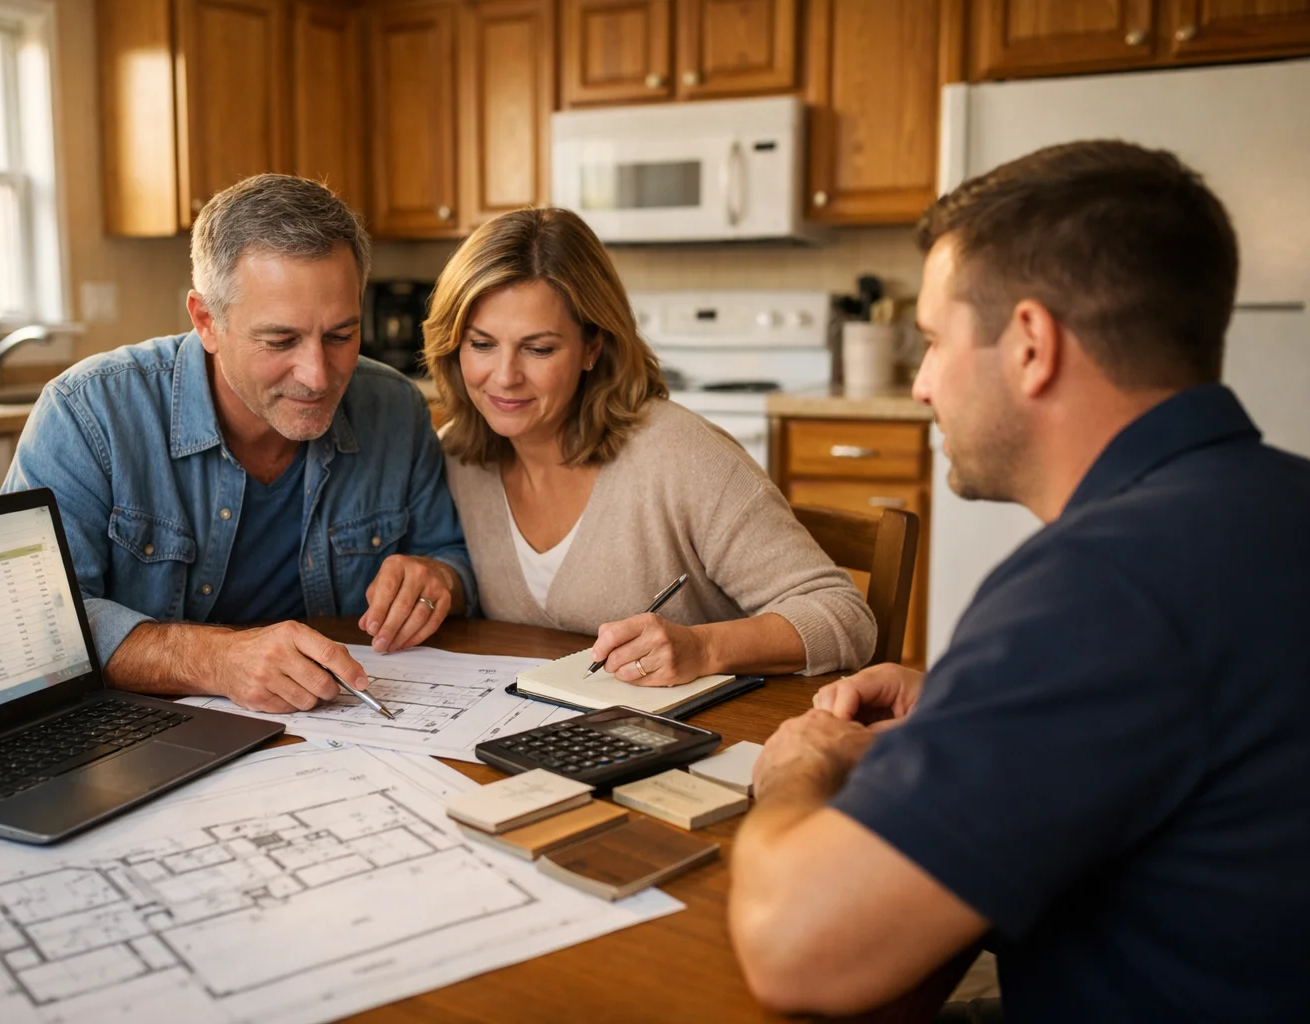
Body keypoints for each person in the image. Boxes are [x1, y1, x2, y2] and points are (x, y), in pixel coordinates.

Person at [728, 140, 1310, 1022]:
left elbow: (794, 948)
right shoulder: (1275, 499)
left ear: (1032, 344)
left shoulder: (1102, 585)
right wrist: (974, 703)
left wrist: (797, 773)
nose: (920, 385)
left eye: (930, 341)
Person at [4, 174, 475, 713]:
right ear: (206, 320)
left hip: (337, 733)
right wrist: (215, 660)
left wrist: (437, 579)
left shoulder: (394, 407)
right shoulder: (88, 413)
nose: (318, 376)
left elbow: (451, 559)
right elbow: (36, 620)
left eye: (341, 335)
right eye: (280, 340)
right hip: (145, 735)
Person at [422, 208, 875, 685]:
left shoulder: (680, 456)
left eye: (539, 349)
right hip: (539, 736)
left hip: (705, 739)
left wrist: (704, 647)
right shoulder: (455, 458)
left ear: (593, 347)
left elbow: (845, 617)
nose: (506, 376)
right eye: (482, 344)